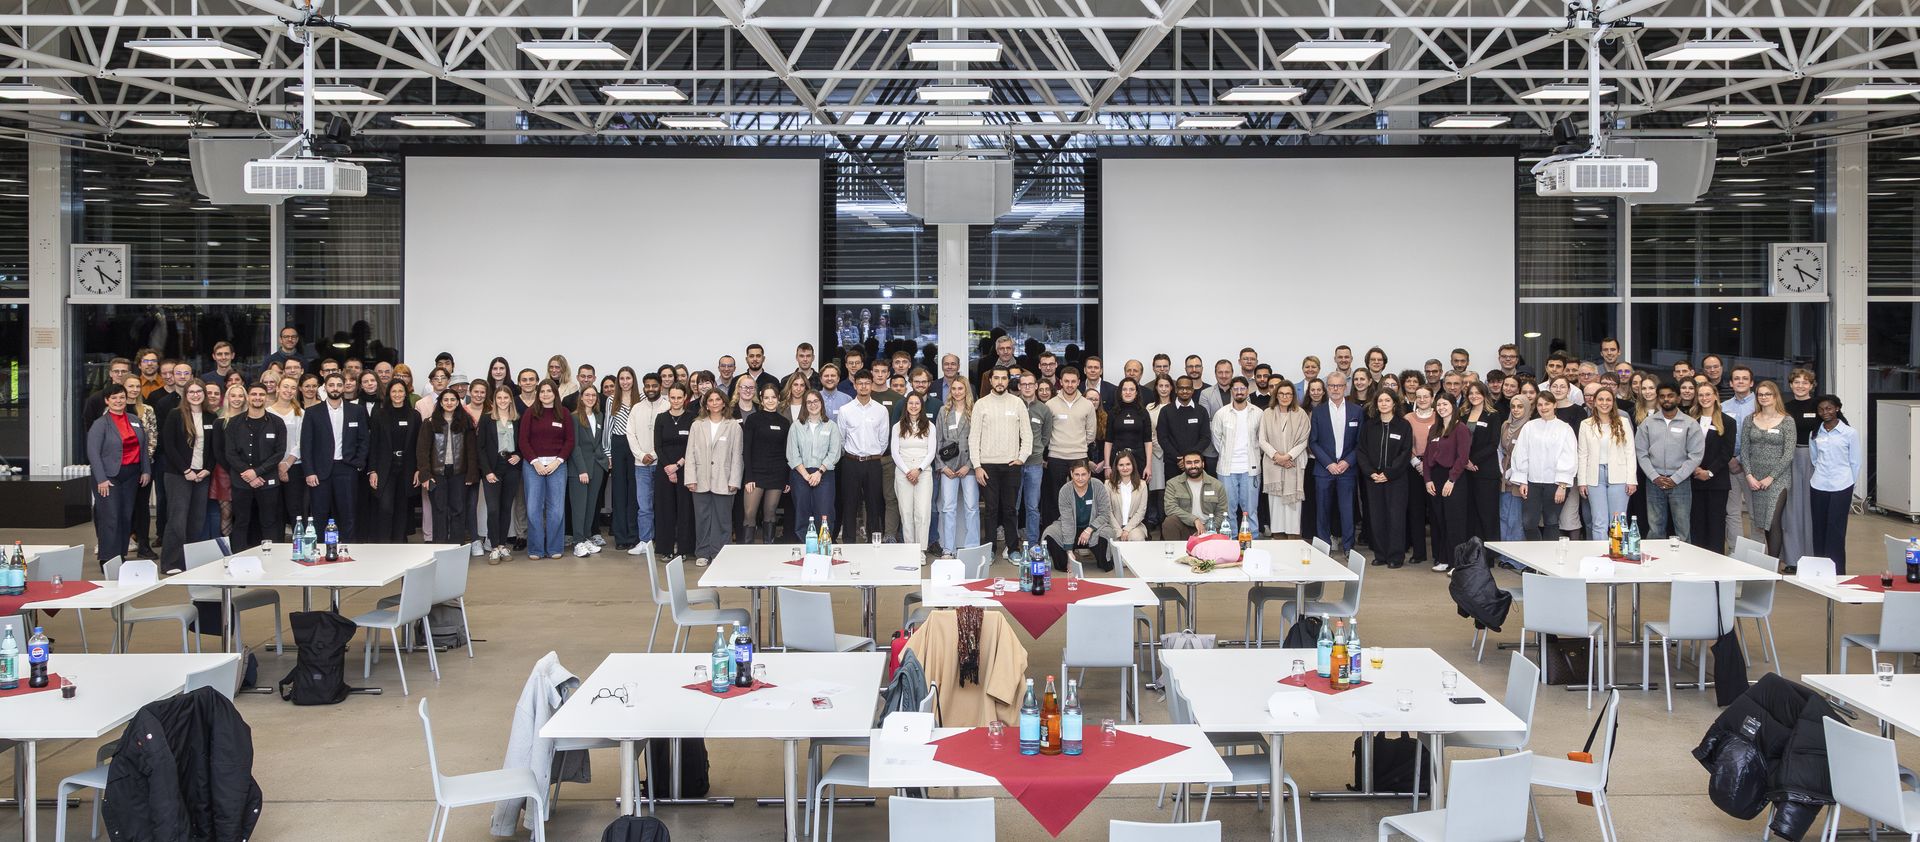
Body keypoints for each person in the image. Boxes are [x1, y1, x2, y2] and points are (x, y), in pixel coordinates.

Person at [301, 372, 370, 542]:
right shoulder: (312, 412)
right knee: (319, 514)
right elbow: (306, 444)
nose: (335, 388)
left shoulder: (357, 411)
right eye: (331, 385)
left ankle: (347, 549)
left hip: (347, 468)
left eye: (339, 385)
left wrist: (359, 462)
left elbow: (364, 439)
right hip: (320, 471)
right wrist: (309, 471)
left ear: (344, 387)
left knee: (348, 514)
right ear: (325, 387)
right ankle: (318, 550)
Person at [158, 380, 218, 573]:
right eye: (191, 392)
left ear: (204, 394)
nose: (195, 395)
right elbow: (169, 446)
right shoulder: (175, 415)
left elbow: (214, 448)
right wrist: (186, 470)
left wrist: (207, 469)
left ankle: (189, 562)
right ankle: (171, 563)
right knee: (178, 520)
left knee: (197, 520)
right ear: (186, 395)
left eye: (199, 391)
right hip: (178, 475)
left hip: (202, 475)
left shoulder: (211, 416)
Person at [970, 367, 1031, 555]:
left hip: (1012, 465)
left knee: (1010, 509)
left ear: (1008, 380)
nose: (1000, 382)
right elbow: (974, 437)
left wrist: (1022, 458)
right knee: (991, 510)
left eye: (1004, 378)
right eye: (996, 378)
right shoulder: (981, 404)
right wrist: (977, 466)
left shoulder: (1017, 403)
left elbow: (1027, 434)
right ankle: (989, 550)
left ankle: (1013, 549)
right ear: (990, 381)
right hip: (987, 466)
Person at [1635, 382, 1705, 542]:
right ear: (1658, 399)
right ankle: (1655, 558)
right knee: (1655, 529)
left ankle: (1683, 558)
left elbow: (1695, 455)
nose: (1666, 399)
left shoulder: (1690, 424)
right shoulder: (1648, 423)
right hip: (1654, 482)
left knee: (1682, 529)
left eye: (1670, 395)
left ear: (1678, 398)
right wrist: (1654, 476)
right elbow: (1641, 453)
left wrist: (1676, 478)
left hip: (1680, 483)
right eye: (1662, 396)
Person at [224, 383, 287, 549]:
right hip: (241, 481)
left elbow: (279, 453)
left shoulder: (277, 422)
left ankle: (271, 558)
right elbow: (230, 453)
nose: (257, 398)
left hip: (268, 482)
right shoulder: (234, 423)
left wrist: (257, 472)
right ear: (248, 397)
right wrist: (248, 473)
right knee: (241, 521)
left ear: (266, 398)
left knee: (269, 522)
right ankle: (238, 557)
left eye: (261, 394)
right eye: (254, 394)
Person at [1509, 392, 1577, 541]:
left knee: (1551, 522)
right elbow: (1521, 453)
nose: (1543, 407)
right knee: (1528, 522)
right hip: (1532, 482)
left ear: (1554, 405)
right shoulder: (1529, 427)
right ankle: (1535, 553)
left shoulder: (1565, 429)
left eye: (1547, 404)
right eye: (1540, 404)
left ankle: (1550, 555)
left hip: (1555, 483)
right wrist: (1522, 480)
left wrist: (1562, 485)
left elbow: (1569, 457)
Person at [685, 389, 742, 567]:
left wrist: (734, 480)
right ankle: (702, 552)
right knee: (702, 518)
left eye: (718, 399)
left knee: (723, 520)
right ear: (706, 404)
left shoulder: (733, 426)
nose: (715, 403)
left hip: (724, 479)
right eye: (711, 400)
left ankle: (720, 553)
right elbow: (690, 453)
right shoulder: (697, 425)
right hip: (700, 479)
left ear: (724, 403)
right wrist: (690, 478)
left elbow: (737, 455)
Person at [518, 381, 574, 560]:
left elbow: (570, 441)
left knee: (556, 509)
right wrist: (535, 462)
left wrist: (557, 462)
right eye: (542, 391)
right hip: (533, 466)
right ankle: (536, 549)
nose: (545, 394)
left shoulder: (564, 413)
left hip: (557, 465)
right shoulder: (530, 413)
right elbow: (523, 441)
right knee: (533, 508)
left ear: (555, 393)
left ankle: (554, 547)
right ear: (538, 394)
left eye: (549, 391)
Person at [1309, 371, 1364, 555]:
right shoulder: (1318, 411)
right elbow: (1313, 442)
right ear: (1327, 388)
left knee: (1347, 511)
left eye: (1339, 385)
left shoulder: (1356, 411)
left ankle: (1348, 547)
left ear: (1345, 387)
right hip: (1324, 470)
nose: (1335, 389)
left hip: (1347, 470)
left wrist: (1347, 462)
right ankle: (1323, 547)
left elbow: (1360, 442)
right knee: (1322, 511)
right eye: (1332, 385)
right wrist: (1329, 463)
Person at [1808, 394, 1862, 574]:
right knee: (1819, 529)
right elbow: (1814, 459)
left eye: (1829, 408)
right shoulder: (1815, 433)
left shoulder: (1850, 433)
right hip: (1818, 485)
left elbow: (1855, 462)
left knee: (1836, 531)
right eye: (1821, 409)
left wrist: (1850, 485)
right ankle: (1820, 572)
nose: (1825, 412)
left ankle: (1837, 573)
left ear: (1837, 408)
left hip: (1842, 486)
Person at [1358, 389, 1412, 569]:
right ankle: (1380, 554)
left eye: (1387, 400)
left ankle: (1396, 556)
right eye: (1380, 401)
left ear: (1394, 403)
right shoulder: (1369, 426)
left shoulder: (1403, 426)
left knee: (1396, 518)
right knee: (1377, 517)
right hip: (1373, 479)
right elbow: (1361, 451)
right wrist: (1370, 472)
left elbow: (1405, 452)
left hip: (1396, 479)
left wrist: (1389, 473)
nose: (1383, 404)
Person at [836, 370, 890, 543]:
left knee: (874, 504)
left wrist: (872, 454)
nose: (864, 386)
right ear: (855, 385)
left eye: (867, 383)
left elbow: (883, 440)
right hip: (851, 461)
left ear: (872, 385)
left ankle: (873, 542)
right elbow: (841, 439)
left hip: (873, 462)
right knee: (849, 504)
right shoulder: (845, 410)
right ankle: (849, 542)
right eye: (860, 383)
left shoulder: (881, 410)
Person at [1576, 386, 1636, 542]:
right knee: (1599, 522)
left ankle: (1617, 553)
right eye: (1601, 399)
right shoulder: (1586, 424)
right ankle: (1601, 554)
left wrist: (1632, 479)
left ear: (1613, 402)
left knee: (1617, 522)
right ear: (1594, 402)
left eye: (1608, 399)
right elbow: (1582, 455)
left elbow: (1630, 452)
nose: (1604, 403)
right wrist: (1582, 482)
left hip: (1619, 475)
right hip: (1595, 476)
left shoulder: (1623, 422)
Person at [1740, 380, 1795, 550]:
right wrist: (1749, 476)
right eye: (1760, 394)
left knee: (1773, 519)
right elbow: (1744, 450)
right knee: (1763, 523)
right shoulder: (1749, 420)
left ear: (1775, 396)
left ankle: (1773, 562)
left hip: (1778, 479)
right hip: (1755, 479)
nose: (1764, 397)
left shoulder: (1787, 421)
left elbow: (1789, 453)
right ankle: (1769, 560)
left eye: (1767, 394)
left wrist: (1771, 477)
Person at [419, 388, 477, 547]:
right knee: (439, 510)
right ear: (440, 403)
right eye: (446, 400)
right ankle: (440, 547)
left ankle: (456, 547)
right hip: (437, 474)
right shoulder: (430, 423)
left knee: (458, 510)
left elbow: (472, 451)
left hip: (459, 473)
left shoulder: (466, 422)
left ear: (458, 402)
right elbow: (422, 451)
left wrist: (471, 474)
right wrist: (425, 474)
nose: (449, 403)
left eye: (453, 400)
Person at [1421, 394, 1473, 571]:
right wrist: (1427, 479)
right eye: (1439, 404)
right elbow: (1427, 456)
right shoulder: (1434, 428)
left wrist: (1452, 479)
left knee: (1454, 522)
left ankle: (1456, 563)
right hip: (1435, 478)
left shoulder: (1461, 429)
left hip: (1453, 479)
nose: (1442, 407)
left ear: (1453, 406)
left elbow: (1462, 457)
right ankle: (1443, 558)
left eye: (1445, 404)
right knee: (1439, 520)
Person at [367, 380, 421, 545]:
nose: (397, 394)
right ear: (389, 394)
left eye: (400, 391)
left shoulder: (414, 415)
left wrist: (419, 469)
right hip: (385, 467)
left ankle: (399, 544)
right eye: (394, 391)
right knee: (386, 506)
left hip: (407, 467)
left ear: (406, 393)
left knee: (402, 508)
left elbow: (419, 444)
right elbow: (373, 444)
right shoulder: (379, 414)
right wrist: (372, 470)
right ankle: (384, 543)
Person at [1044, 368, 1098, 528]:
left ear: (1078, 382)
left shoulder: (1087, 405)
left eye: (1073, 381)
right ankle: (1056, 532)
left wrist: (1078, 445)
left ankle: (1081, 531)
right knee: (1055, 497)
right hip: (1056, 457)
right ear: (1060, 382)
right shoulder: (1050, 404)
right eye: (1066, 381)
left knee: (1081, 496)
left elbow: (1091, 433)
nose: (1069, 384)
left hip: (1079, 457)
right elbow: (1047, 431)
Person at [1211, 377, 1263, 537]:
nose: (1239, 392)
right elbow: (1216, 439)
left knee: (1251, 510)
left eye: (1242, 388)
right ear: (1231, 391)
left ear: (1247, 390)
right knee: (1227, 510)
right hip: (1227, 470)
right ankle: (1230, 540)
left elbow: (1261, 440)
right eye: (1236, 389)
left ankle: (1252, 539)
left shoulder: (1258, 413)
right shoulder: (1222, 413)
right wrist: (1227, 454)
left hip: (1250, 469)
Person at [787, 390, 842, 540]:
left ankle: (824, 544)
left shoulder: (831, 426)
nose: (813, 405)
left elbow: (834, 453)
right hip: (801, 474)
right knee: (802, 511)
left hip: (824, 474)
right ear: (805, 405)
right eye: (809, 402)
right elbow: (792, 454)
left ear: (821, 403)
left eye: (816, 401)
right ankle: (805, 545)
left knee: (825, 511)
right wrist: (806, 475)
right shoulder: (796, 426)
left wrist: (819, 472)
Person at [1257, 380, 1309, 539]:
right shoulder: (1267, 413)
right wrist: (1277, 457)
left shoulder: (1301, 414)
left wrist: (1287, 457)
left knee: (1293, 507)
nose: (1285, 397)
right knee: (1276, 507)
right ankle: (1278, 537)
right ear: (1276, 395)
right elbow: (1262, 440)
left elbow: (1304, 440)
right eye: (1281, 394)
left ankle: (1293, 538)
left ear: (1293, 396)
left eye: (1288, 394)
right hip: (1273, 465)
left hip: (1293, 464)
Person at [1043, 460, 1116, 572]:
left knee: (1107, 534)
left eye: (1083, 474)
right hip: (1071, 527)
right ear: (1071, 474)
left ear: (1089, 474)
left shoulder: (1098, 485)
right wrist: (1069, 552)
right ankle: (1066, 559)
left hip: (1093, 529)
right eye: (1077, 474)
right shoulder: (1065, 490)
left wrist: (1089, 529)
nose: (1080, 478)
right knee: (1051, 532)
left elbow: (1105, 514)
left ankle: (1103, 561)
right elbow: (1067, 521)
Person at [477, 386, 523, 564]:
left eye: (506, 397)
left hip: (511, 467)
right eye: (499, 398)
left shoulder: (517, 419)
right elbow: (480, 447)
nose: (503, 401)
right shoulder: (487, 418)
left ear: (511, 399)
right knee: (493, 509)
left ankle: (503, 545)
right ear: (494, 400)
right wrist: (487, 471)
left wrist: (519, 455)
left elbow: (523, 443)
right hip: (492, 468)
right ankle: (494, 547)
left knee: (506, 508)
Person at [934, 377, 978, 556]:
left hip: (969, 466)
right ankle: (948, 548)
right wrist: (942, 466)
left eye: (961, 388)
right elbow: (938, 440)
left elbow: (979, 441)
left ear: (966, 390)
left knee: (971, 507)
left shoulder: (974, 410)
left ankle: (972, 548)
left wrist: (969, 465)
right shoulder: (943, 411)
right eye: (954, 389)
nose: (957, 392)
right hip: (948, 467)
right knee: (948, 508)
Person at [1781, 369, 1820, 572]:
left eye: (1805, 382)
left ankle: (1812, 558)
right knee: (1791, 510)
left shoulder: (1821, 406)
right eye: (1796, 382)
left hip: (1814, 460)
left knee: (1811, 509)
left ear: (1812, 386)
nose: (1800, 386)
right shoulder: (1785, 408)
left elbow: (1841, 427)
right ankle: (1792, 559)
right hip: (1789, 459)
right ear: (1790, 385)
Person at [654, 384, 697, 561]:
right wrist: (668, 468)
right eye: (673, 397)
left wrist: (677, 466)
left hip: (685, 469)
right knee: (665, 510)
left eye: (679, 397)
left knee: (685, 510)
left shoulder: (692, 418)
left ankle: (684, 549)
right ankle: (666, 548)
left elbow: (693, 446)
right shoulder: (661, 418)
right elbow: (658, 446)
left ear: (685, 397)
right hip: (664, 471)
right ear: (668, 398)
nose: (676, 401)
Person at [1690, 386, 1734, 554]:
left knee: (1716, 526)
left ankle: (1716, 563)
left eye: (1708, 394)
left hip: (1717, 482)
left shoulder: (1728, 422)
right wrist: (1694, 468)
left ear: (1715, 396)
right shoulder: (1691, 420)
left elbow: (1727, 452)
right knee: (1697, 524)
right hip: (1694, 479)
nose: (1704, 398)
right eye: (1701, 395)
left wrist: (1709, 472)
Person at [891, 391, 936, 551]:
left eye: (917, 403)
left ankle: (921, 550)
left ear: (921, 406)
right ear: (906, 405)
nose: (914, 406)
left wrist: (919, 470)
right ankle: (910, 550)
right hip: (903, 472)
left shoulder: (930, 426)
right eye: (911, 403)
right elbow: (895, 452)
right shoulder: (897, 426)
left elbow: (931, 452)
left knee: (922, 513)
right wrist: (907, 471)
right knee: (906, 513)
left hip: (923, 472)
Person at [568, 387, 609, 557]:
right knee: (579, 507)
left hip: (597, 466)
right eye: (587, 395)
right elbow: (575, 446)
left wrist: (604, 460)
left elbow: (599, 442)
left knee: (591, 506)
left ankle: (586, 538)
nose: (590, 398)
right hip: (580, 469)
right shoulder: (574, 417)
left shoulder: (599, 416)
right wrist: (582, 470)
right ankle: (578, 542)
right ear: (581, 397)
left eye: (593, 395)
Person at [121, 378, 159, 558]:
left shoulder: (147, 410)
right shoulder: (113, 410)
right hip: (121, 469)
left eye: (137, 386)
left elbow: (152, 437)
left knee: (142, 507)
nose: (135, 389)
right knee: (123, 508)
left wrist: (145, 464)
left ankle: (144, 545)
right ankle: (120, 546)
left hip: (143, 467)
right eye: (131, 386)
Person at [1401, 386, 1438, 564]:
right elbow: (1404, 445)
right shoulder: (1408, 418)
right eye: (1419, 397)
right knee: (1415, 511)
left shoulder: (1439, 417)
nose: (1422, 400)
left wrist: (1429, 464)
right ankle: (1419, 552)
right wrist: (1416, 463)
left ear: (1432, 398)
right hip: (1414, 467)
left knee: (1436, 512)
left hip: (1436, 468)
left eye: (1426, 396)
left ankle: (1439, 554)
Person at [265, 375, 304, 541]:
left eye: (293, 388)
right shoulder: (267, 412)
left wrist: (287, 464)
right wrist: (278, 464)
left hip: (294, 466)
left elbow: (302, 441)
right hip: (271, 467)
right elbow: (265, 443)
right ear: (278, 388)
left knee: (295, 509)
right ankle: (276, 546)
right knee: (274, 510)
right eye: (286, 387)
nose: (289, 391)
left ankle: (300, 546)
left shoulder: (300, 413)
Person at [1162, 451, 1228, 541]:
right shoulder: (1173, 484)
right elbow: (1170, 508)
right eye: (1189, 463)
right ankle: (1175, 549)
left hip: (1210, 528)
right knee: (1170, 522)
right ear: (1183, 465)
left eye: (1196, 462)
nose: (1193, 466)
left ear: (1203, 464)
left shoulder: (1217, 485)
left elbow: (1221, 513)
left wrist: (1207, 529)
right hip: (1184, 527)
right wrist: (1194, 520)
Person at [1105, 378, 1153, 498]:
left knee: (1138, 495)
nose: (1128, 392)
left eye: (1131, 389)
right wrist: (1107, 465)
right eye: (1124, 389)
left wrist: (1148, 466)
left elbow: (1148, 441)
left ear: (1136, 392)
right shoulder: (1113, 413)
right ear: (1120, 392)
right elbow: (1108, 441)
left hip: (1139, 460)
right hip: (1117, 460)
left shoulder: (1143, 413)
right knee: (1117, 495)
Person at [1019, 372, 1050, 552]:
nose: (1027, 387)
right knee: (1013, 506)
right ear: (1019, 386)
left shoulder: (1044, 409)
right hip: (1014, 463)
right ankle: (1012, 544)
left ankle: (1032, 543)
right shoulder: (1014, 405)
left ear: (1036, 386)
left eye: (1030, 384)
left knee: (1032, 506)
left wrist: (1037, 450)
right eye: (1024, 384)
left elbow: (1046, 436)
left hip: (1035, 464)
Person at [1108, 449, 1149, 542]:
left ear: (1133, 465)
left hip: (1134, 526)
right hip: (1114, 527)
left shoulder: (1142, 485)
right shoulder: (1108, 485)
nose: (1125, 468)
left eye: (1128, 464)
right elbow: (1108, 511)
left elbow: (1141, 511)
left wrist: (1127, 530)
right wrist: (1119, 532)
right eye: (1121, 465)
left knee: (1137, 537)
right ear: (1116, 467)